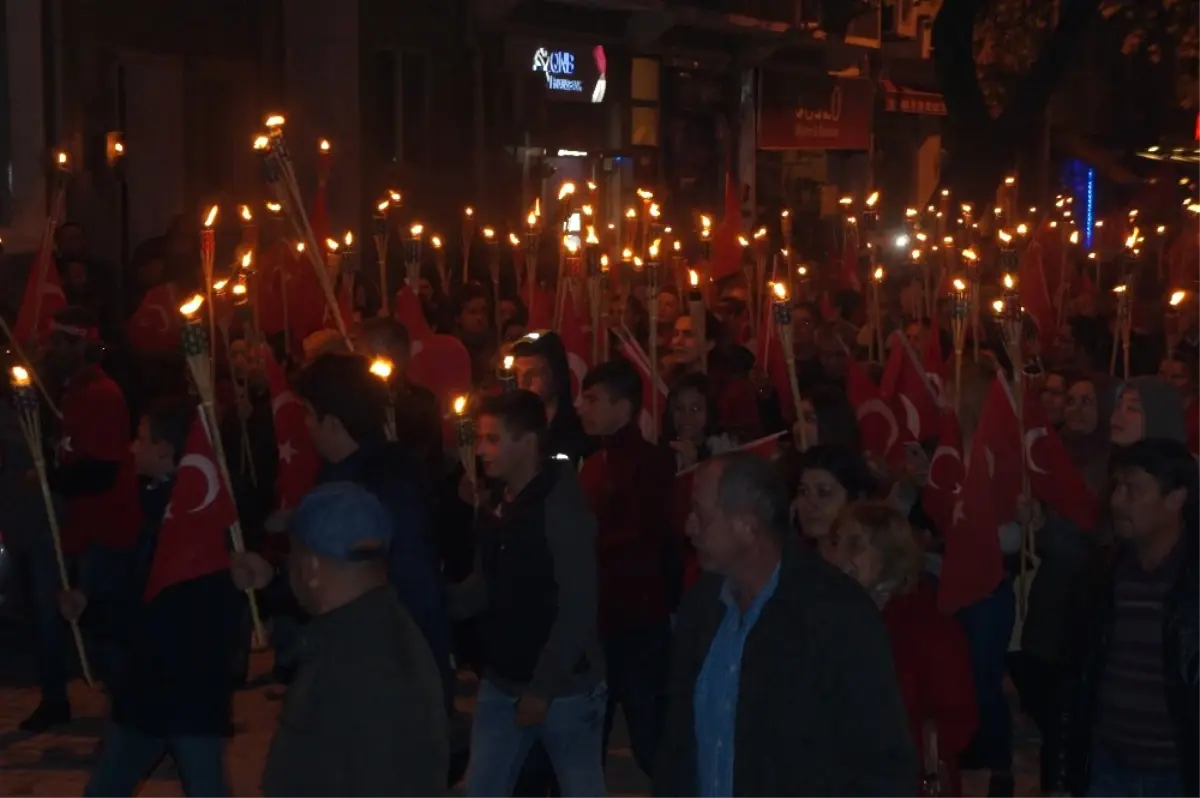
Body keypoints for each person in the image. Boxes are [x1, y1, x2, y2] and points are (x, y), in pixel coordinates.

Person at [655, 451, 917, 797]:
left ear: (746, 526)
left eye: (701, 515)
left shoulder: (836, 615)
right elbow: (679, 745)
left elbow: (881, 763)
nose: (689, 526)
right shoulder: (702, 608)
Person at [78, 398, 244, 797]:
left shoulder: (187, 525)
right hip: (156, 690)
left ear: (166, 450)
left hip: (183, 691)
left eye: (141, 439)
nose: (132, 448)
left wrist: (97, 614)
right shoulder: (158, 510)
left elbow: (157, 607)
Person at [447, 390, 606, 798]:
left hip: (563, 690)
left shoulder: (561, 509)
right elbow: (485, 586)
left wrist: (542, 687)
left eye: (494, 439)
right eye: (480, 438)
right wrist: (435, 602)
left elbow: (577, 606)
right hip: (502, 681)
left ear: (529, 442)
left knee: (580, 786)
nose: (480, 449)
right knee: (483, 786)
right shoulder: (501, 504)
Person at [262, 481, 448, 797]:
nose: (287, 565)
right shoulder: (370, 631)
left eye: (291, 554)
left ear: (311, 568)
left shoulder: (360, 662)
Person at [1044, 438, 1200, 798]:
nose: (1116, 501)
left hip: (1179, 775)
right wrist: (1061, 775)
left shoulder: (1191, 583)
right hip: (1105, 768)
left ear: (1175, 500)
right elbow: (1072, 681)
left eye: (1133, 490)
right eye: (1117, 487)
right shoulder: (1100, 576)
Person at [21, 307, 142, 732]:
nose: (52, 350)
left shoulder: (103, 395)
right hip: (71, 527)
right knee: (47, 608)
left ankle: (125, 709)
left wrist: (49, 475)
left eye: (59, 342)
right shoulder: (69, 392)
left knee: (102, 618)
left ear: (78, 346)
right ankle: (55, 697)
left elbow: (102, 470)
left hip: (101, 527)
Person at [823, 502, 977, 798]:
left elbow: (959, 720)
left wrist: (894, 755)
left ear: (889, 554)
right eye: (837, 543)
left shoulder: (924, 624)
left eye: (855, 545)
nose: (840, 557)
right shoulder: (831, 616)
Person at [577, 359, 674, 777]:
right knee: (586, 742)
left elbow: (643, 534)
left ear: (624, 407)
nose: (582, 407)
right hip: (602, 620)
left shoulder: (648, 464)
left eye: (594, 399)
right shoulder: (597, 461)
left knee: (650, 739)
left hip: (635, 621)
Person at [511, 331, 591, 466]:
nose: (523, 382)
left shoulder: (580, 433)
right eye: (518, 373)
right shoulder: (511, 428)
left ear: (556, 374)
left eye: (534, 373)